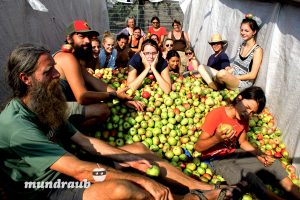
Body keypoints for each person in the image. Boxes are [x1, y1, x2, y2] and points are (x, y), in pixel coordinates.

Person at [0, 43, 232, 200]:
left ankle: (204, 188)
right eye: (49, 71)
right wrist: (139, 178)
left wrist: (129, 159)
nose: (57, 75)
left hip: (68, 168)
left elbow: (84, 141)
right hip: (45, 189)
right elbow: (80, 171)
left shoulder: (46, 104)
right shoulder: (17, 126)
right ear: (26, 79)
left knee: (141, 152)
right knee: (123, 188)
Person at [195, 86, 300, 200]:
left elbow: (243, 142)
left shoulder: (244, 119)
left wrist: (259, 154)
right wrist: (217, 139)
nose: (248, 113)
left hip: (233, 152)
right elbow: (199, 147)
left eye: (252, 112)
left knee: (273, 165)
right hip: (216, 158)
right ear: (239, 98)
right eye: (247, 107)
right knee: (248, 179)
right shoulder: (217, 114)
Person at [53, 20, 143, 131]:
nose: (87, 41)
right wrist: (113, 95)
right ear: (69, 39)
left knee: (94, 91)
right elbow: (82, 97)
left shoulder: (74, 59)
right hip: (51, 111)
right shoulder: (67, 58)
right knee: (102, 110)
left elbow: (94, 81)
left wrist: (122, 98)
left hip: (60, 106)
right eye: (81, 36)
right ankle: (66, 136)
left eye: (89, 37)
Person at [198, 16, 263, 91]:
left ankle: (216, 85)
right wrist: (228, 71)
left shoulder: (257, 50)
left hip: (241, 82)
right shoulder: (241, 46)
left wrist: (233, 77)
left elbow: (253, 75)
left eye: (246, 31)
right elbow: (234, 67)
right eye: (241, 30)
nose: (243, 33)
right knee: (201, 67)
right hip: (231, 76)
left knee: (221, 73)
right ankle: (216, 86)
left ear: (254, 32)